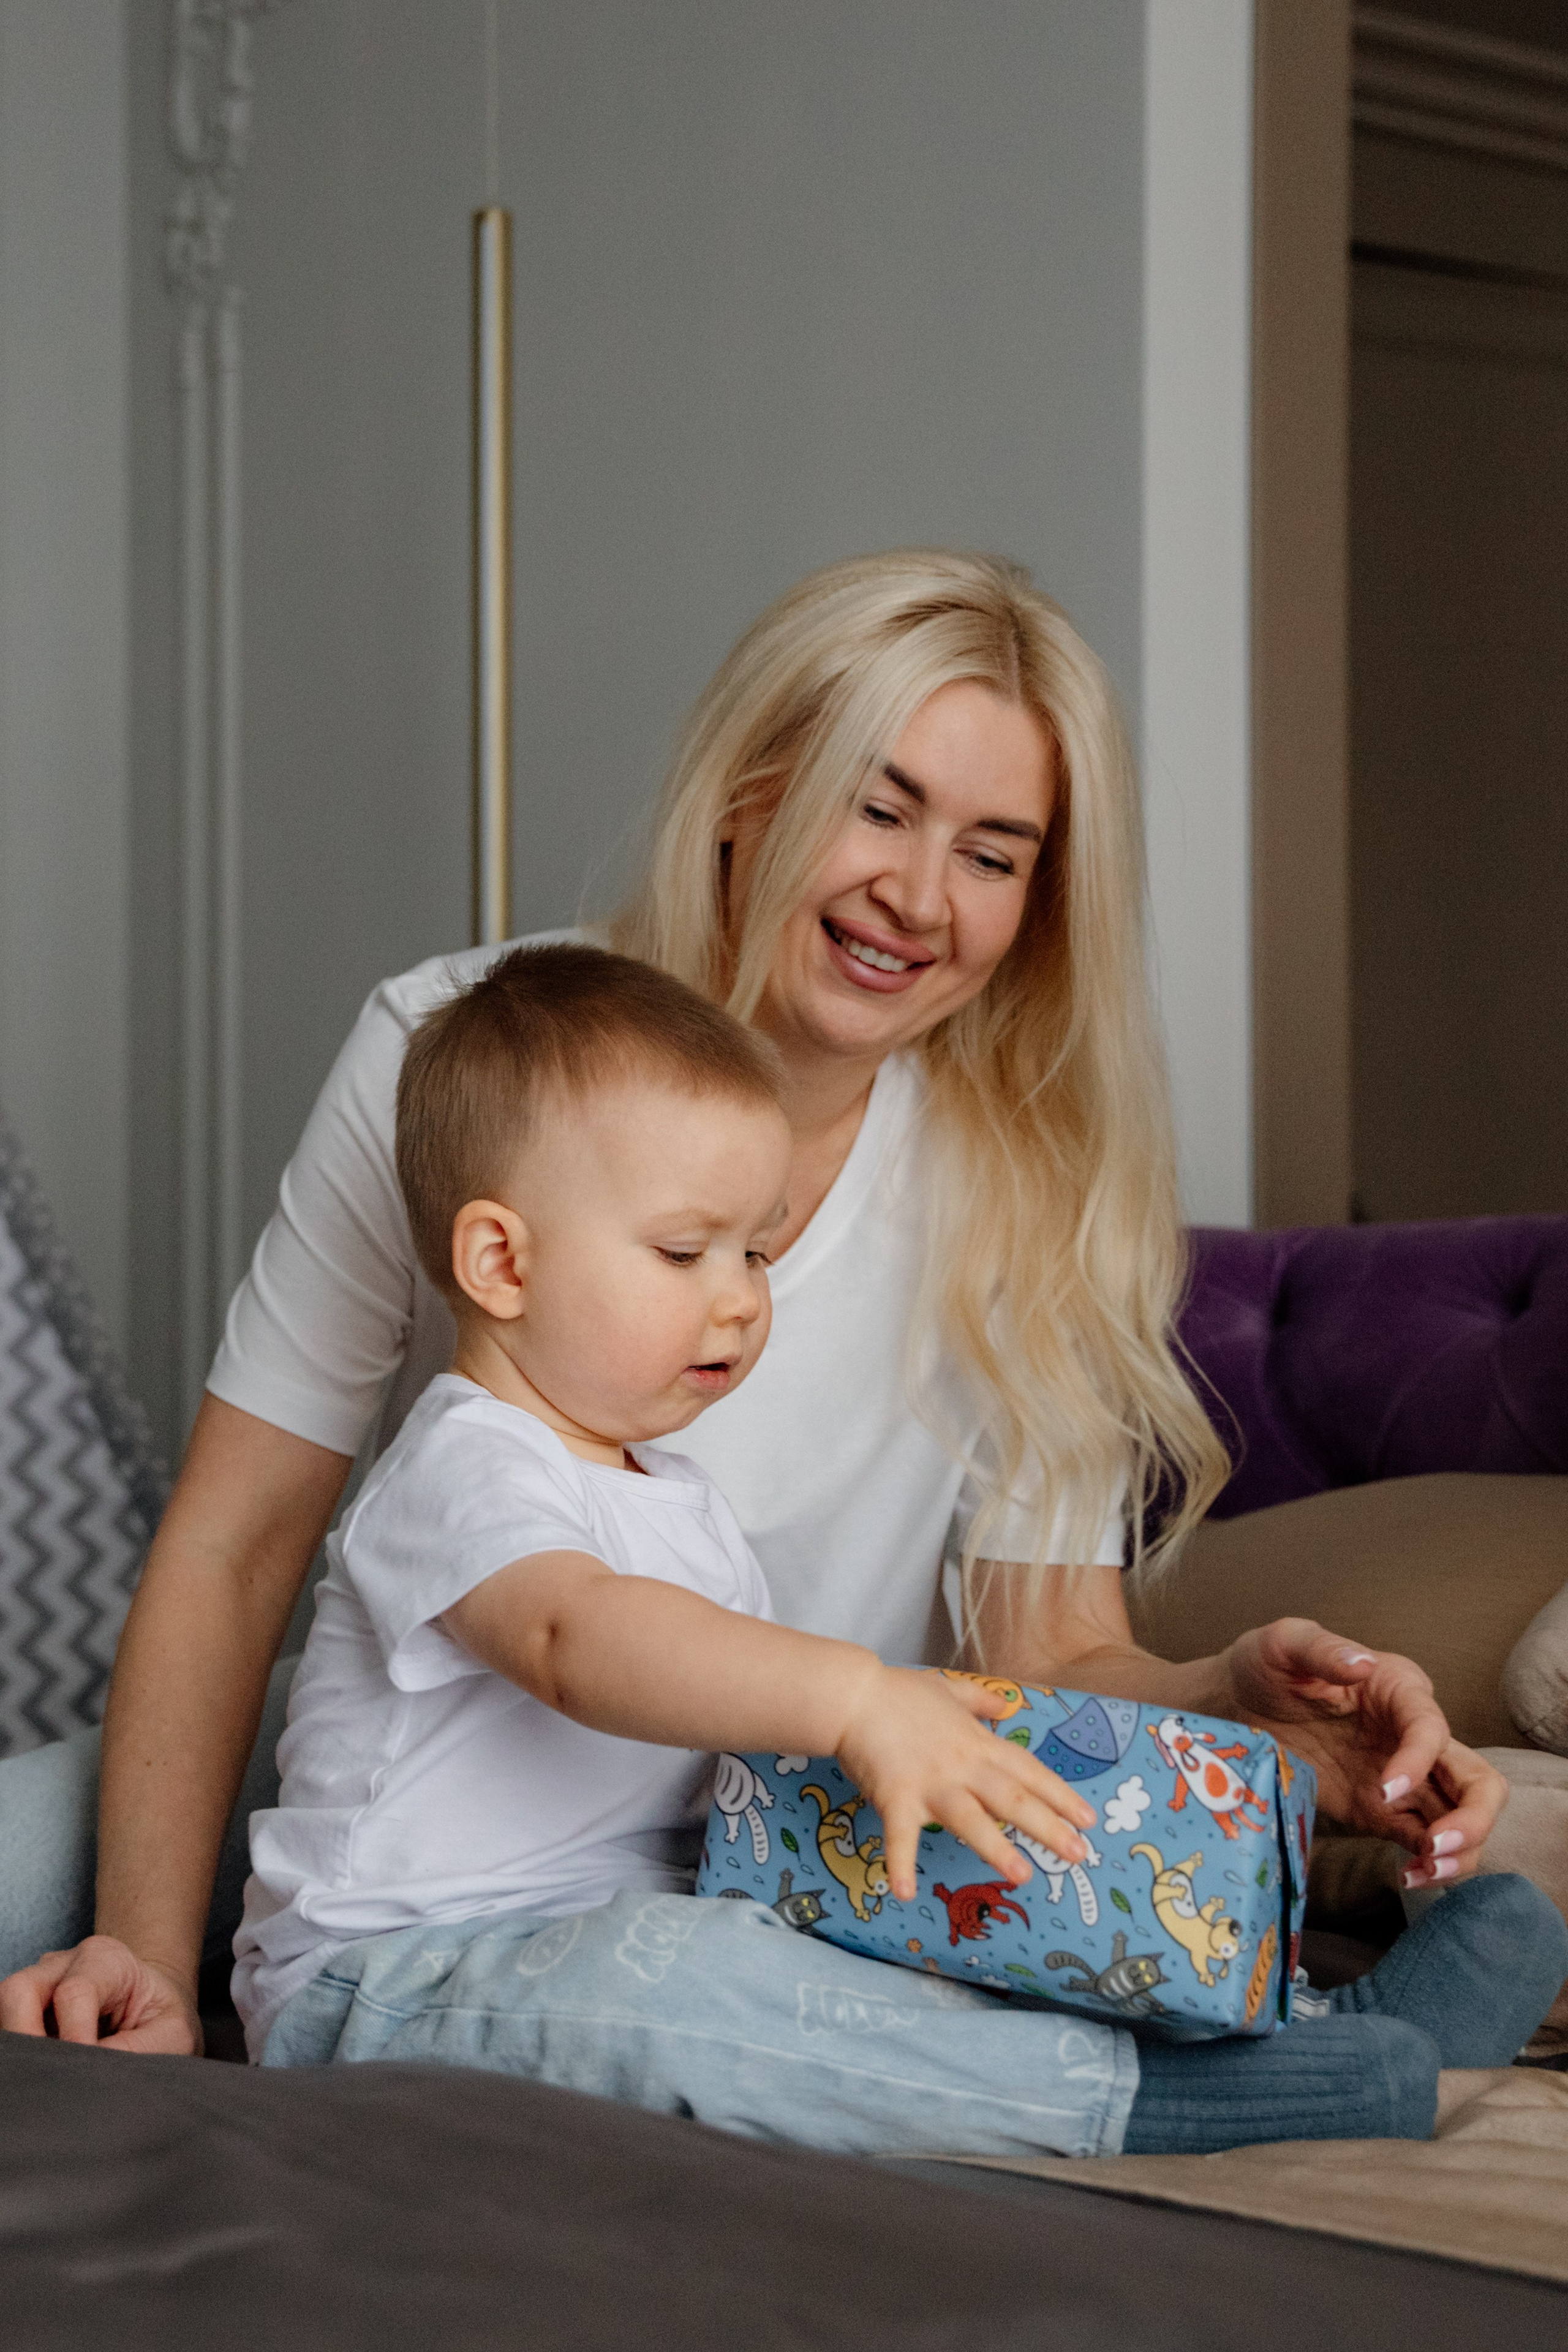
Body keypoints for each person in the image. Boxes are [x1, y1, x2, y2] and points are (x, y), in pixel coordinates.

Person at [0, 550, 1513, 2060]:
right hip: (412, 1774)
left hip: (729, 1847)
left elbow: (1046, 1660)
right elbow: (238, 1537)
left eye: (991, 856)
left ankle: (1311, 2050)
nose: (916, 897)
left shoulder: (1027, 1189)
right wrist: (141, 1951)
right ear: (749, 793)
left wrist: (1227, 1705)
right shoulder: (444, 1047)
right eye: (877, 807)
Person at [239, 943, 1566, 2157]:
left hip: (640, 1923)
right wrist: (857, 1699)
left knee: (911, 1895)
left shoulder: (675, 1497)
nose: (738, 1300)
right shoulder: (463, 1463)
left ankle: (1303, 2025)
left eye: (756, 1254)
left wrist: (1100, 1760)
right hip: (397, 1983)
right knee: (703, 1988)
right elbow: (572, 1637)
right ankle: (1155, 2104)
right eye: (685, 1252)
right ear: (500, 1262)